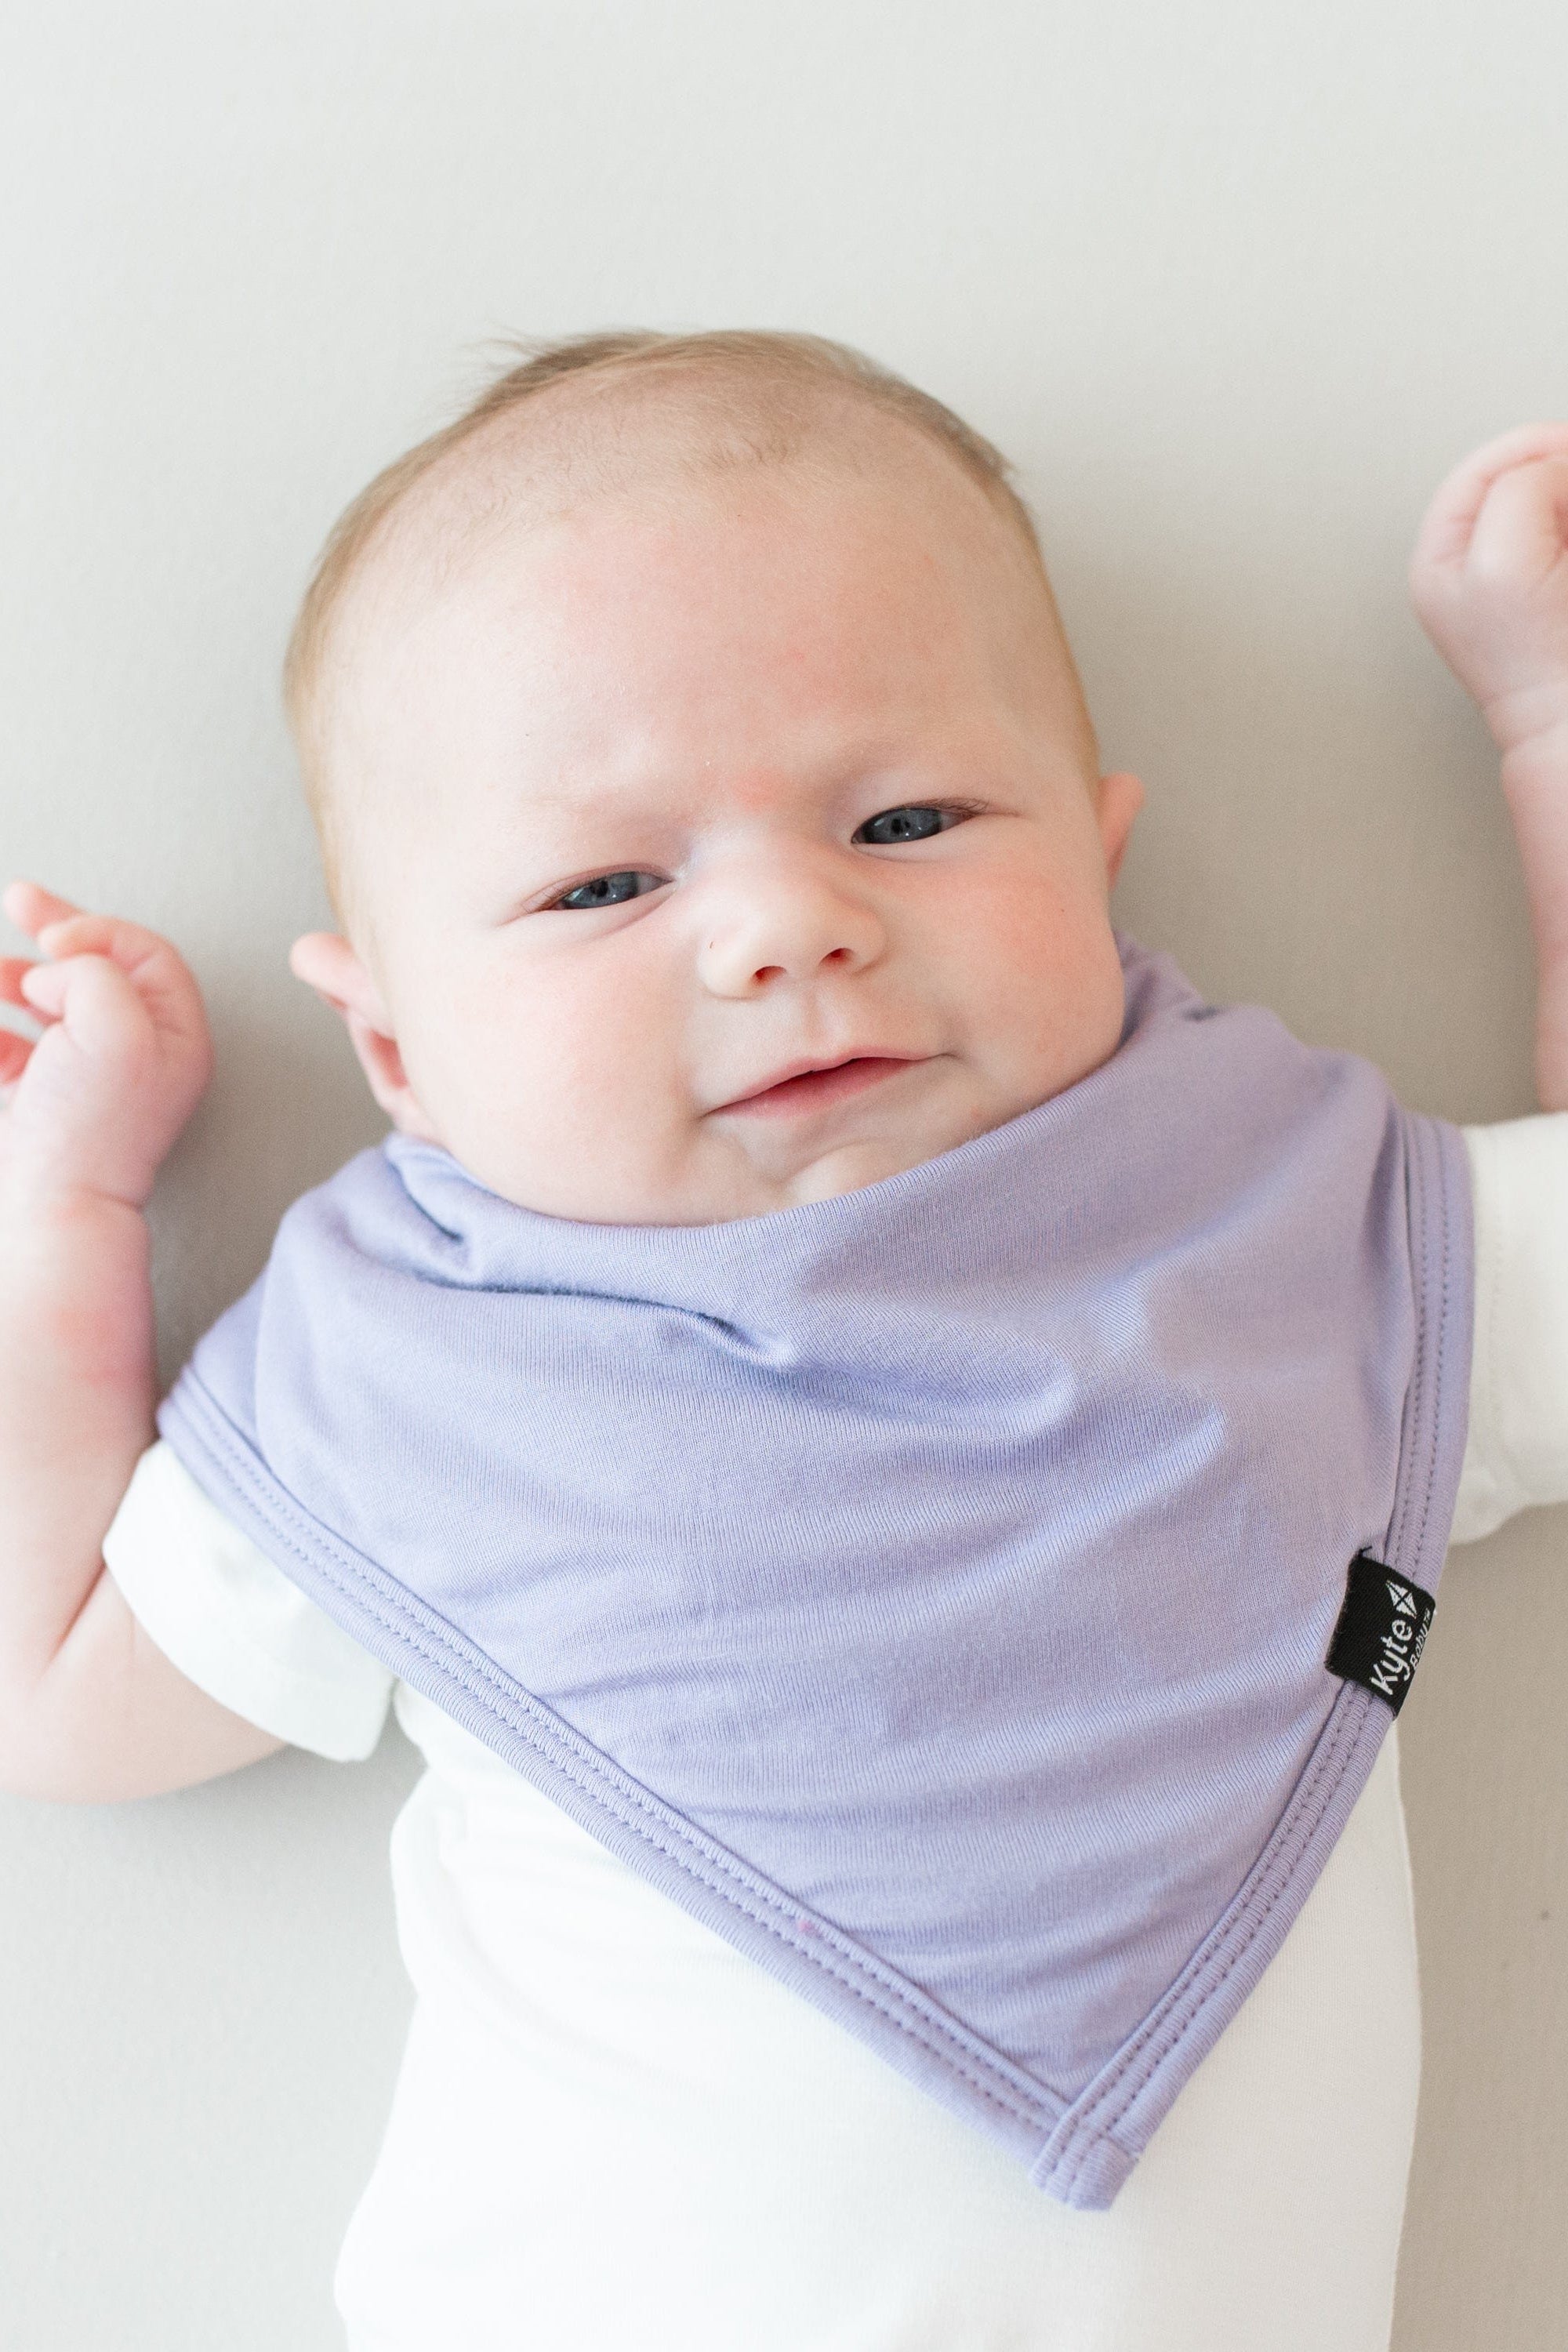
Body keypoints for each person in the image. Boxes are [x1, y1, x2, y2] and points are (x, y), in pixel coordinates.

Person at [2, 332, 1566, 2350]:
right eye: (601, 881)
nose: (778, 927)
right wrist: (77, 1203)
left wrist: (1541, 717)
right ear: (393, 1046)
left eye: (907, 820)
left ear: (1097, 866)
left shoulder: (1294, 1237)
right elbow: (56, 1693)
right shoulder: (417, 1363)